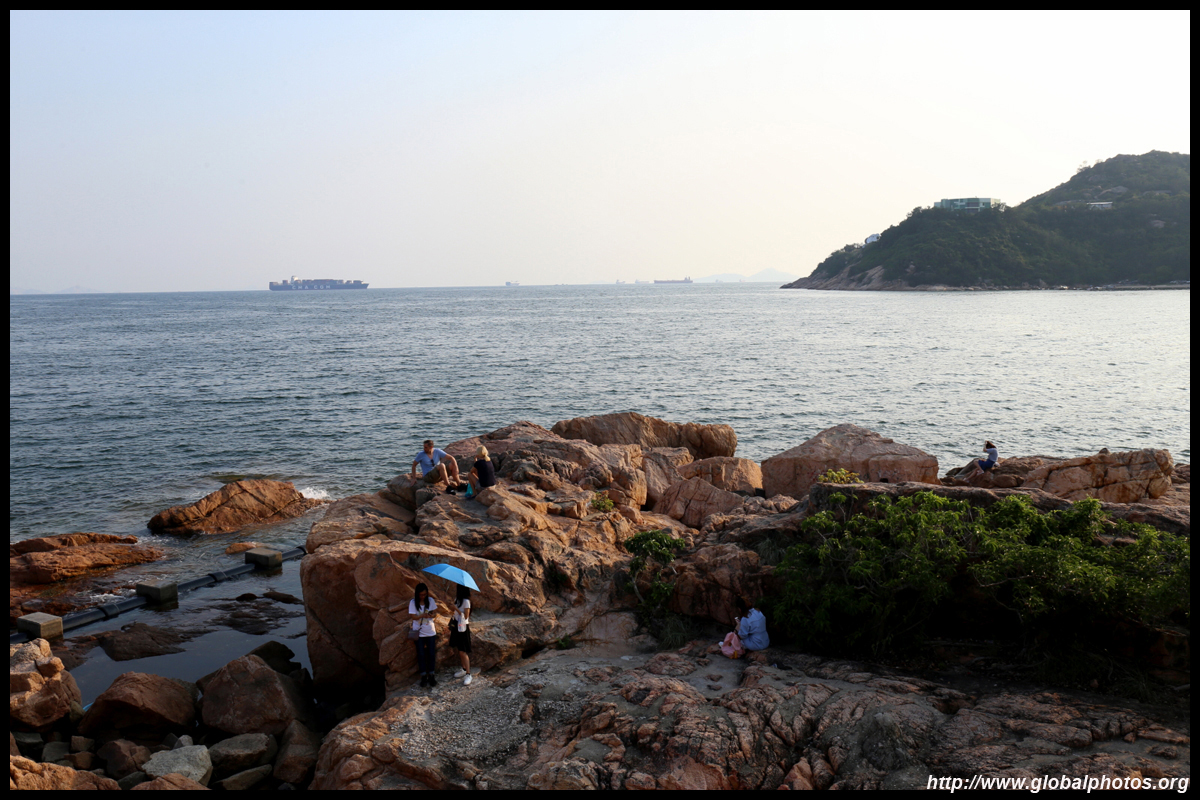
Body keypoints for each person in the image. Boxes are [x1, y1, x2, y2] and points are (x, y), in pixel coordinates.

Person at [408, 582, 440, 687]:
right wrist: (422, 615)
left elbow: (435, 613)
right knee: (421, 655)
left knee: (431, 654)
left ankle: (431, 675)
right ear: (417, 594)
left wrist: (431, 615)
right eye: (421, 595)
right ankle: (423, 676)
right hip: (419, 632)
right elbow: (413, 616)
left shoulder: (430, 600)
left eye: (425, 594)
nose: (423, 596)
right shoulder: (413, 602)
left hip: (430, 631)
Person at [449, 585, 473, 685]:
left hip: (463, 627)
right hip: (456, 626)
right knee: (459, 650)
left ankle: (468, 674)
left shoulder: (466, 601)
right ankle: (463, 669)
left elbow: (466, 616)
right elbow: (455, 613)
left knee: (463, 651)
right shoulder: (457, 600)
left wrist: (456, 609)